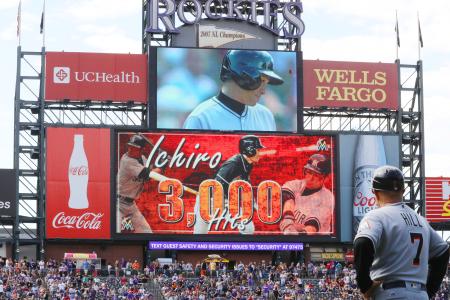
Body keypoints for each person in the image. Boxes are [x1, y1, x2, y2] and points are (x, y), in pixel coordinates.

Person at [354, 165, 449, 300]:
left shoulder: (376, 216)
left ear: (374, 192)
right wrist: (429, 291)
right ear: (403, 191)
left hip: (390, 293)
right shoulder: (421, 221)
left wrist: (365, 286)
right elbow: (443, 252)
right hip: (420, 295)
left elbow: (363, 242)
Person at [183, 50, 283, 131]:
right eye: (261, 81)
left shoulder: (266, 116)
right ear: (244, 76)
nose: (263, 91)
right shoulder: (201, 118)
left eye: (266, 83)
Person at [193, 135, 264, 234]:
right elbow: (218, 185)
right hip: (209, 199)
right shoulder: (233, 164)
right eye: (258, 150)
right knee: (199, 234)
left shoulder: (248, 163)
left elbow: (245, 184)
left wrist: (253, 203)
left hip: (224, 199)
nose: (260, 153)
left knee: (248, 228)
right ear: (250, 150)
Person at [280, 153, 334, 234]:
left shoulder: (327, 198)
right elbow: (287, 198)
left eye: (316, 175)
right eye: (309, 172)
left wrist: (297, 236)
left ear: (326, 178)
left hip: (316, 244)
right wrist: (288, 219)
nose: (310, 178)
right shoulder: (296, 184)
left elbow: (312, 227)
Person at [117, 134, 160, 233]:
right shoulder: (126, 160)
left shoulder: (143, 159)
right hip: (117, 203)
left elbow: (151, 173)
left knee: (147, 232)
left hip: (130, 205)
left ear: (141, 150)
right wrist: (162, 165)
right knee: (115, 232)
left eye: (134, 148)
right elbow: (149, 175)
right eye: (130, 146)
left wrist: (161, 161)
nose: (130, 149)